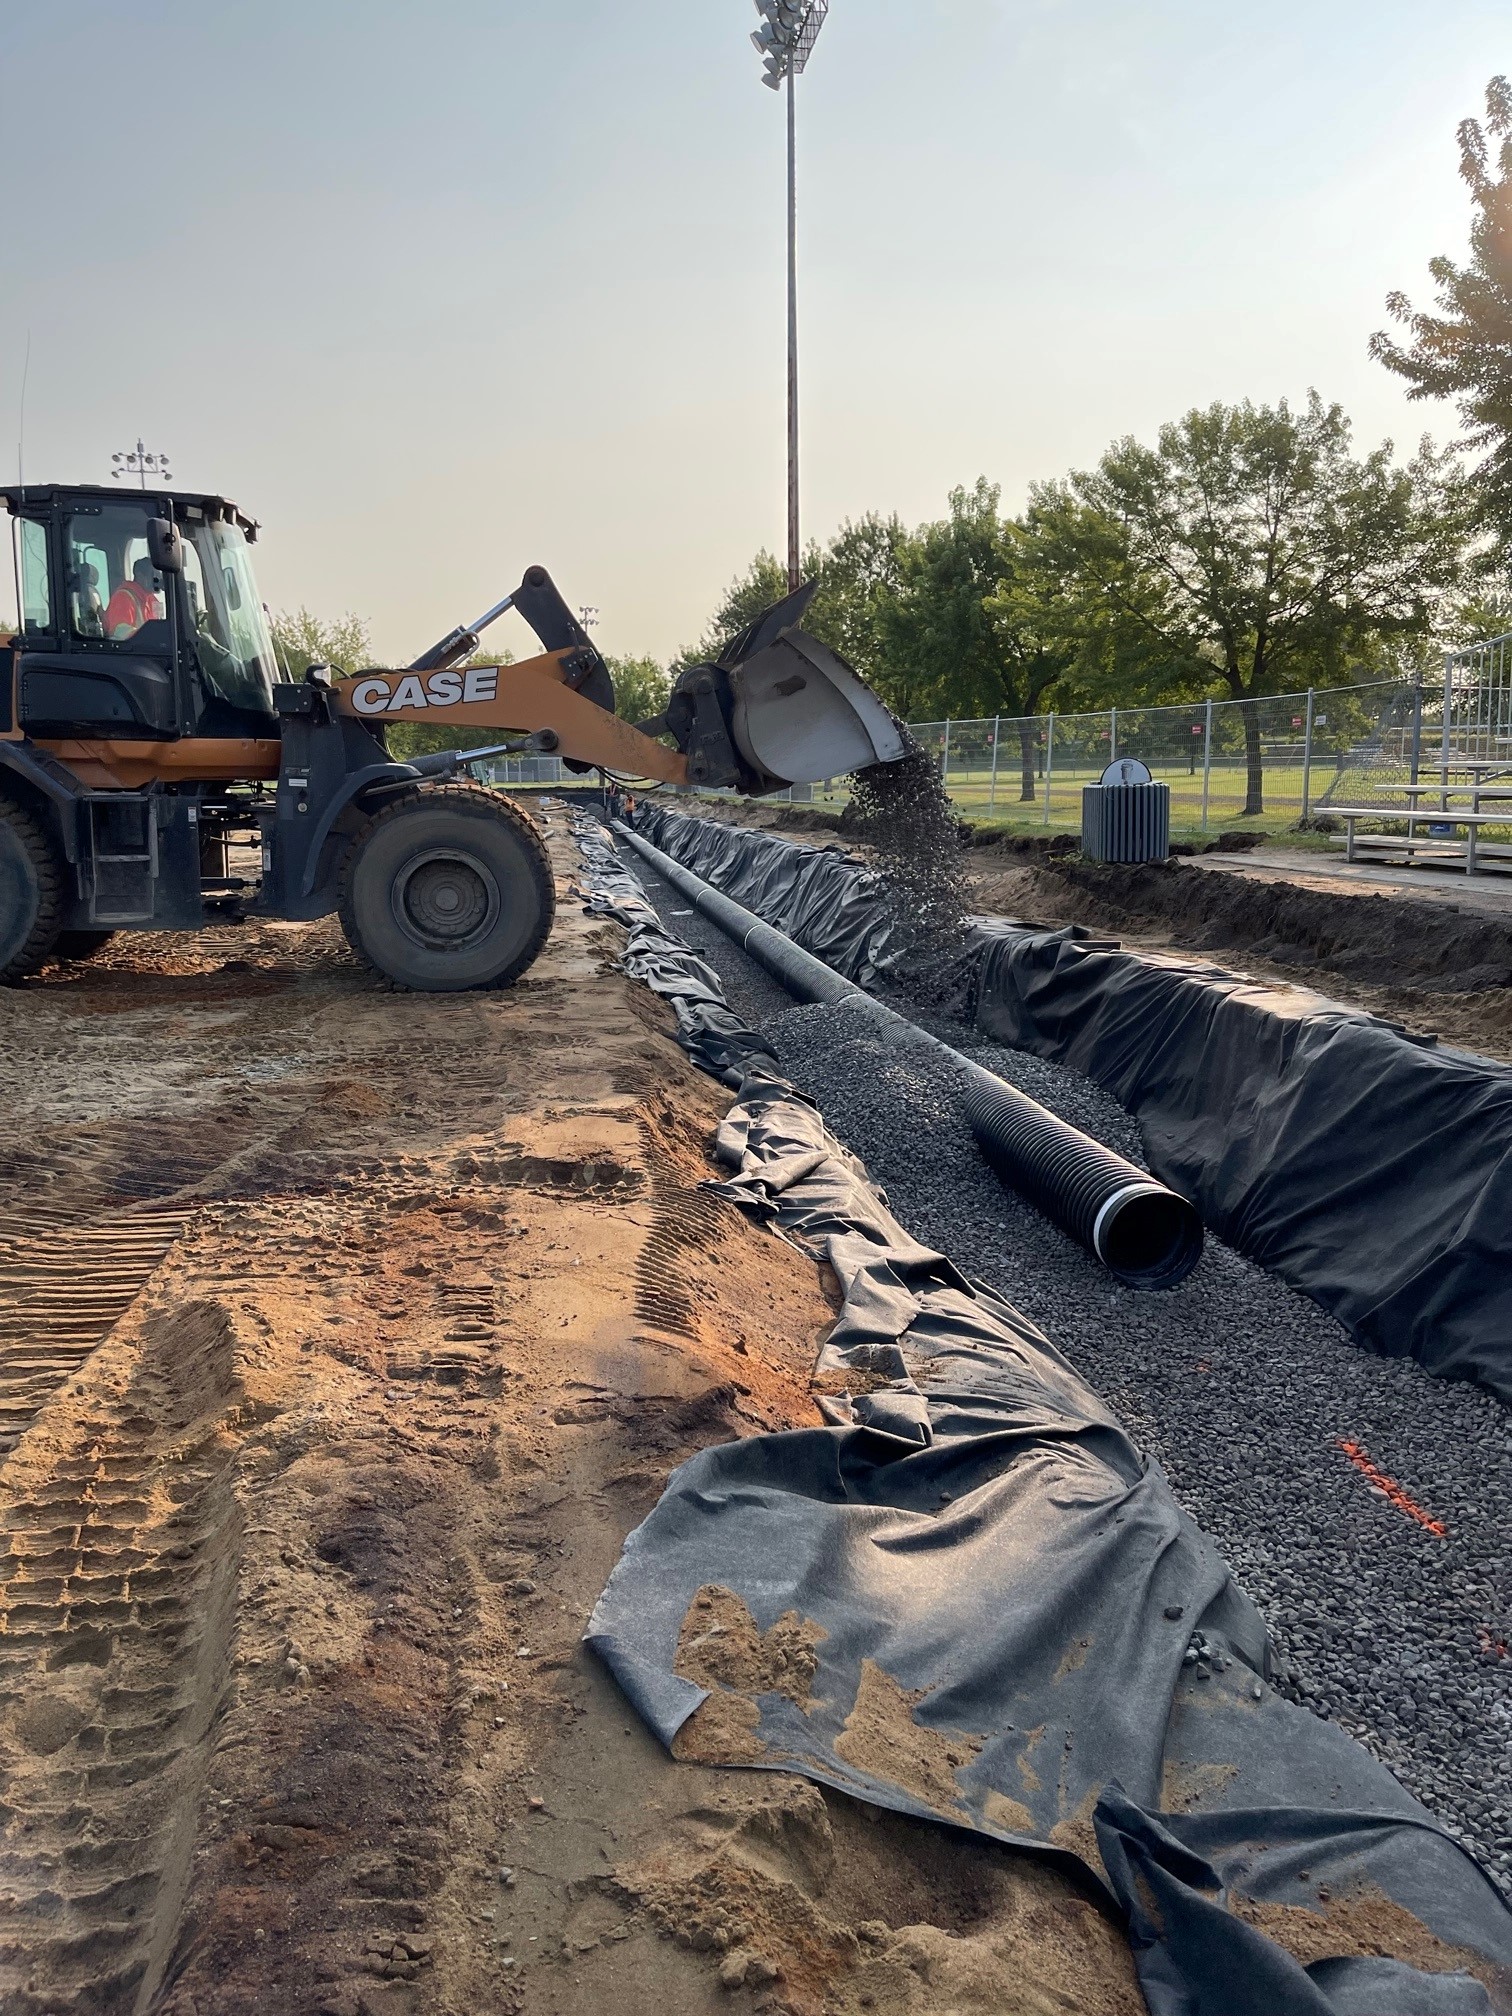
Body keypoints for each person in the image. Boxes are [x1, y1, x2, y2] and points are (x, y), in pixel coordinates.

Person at [104, 556, 163, 641]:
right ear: (140, 575)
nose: (158, 579)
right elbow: (120, 633)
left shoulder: (152, 600)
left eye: (159, 575)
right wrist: (151, 637)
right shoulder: (123, 597)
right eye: (154, 575)